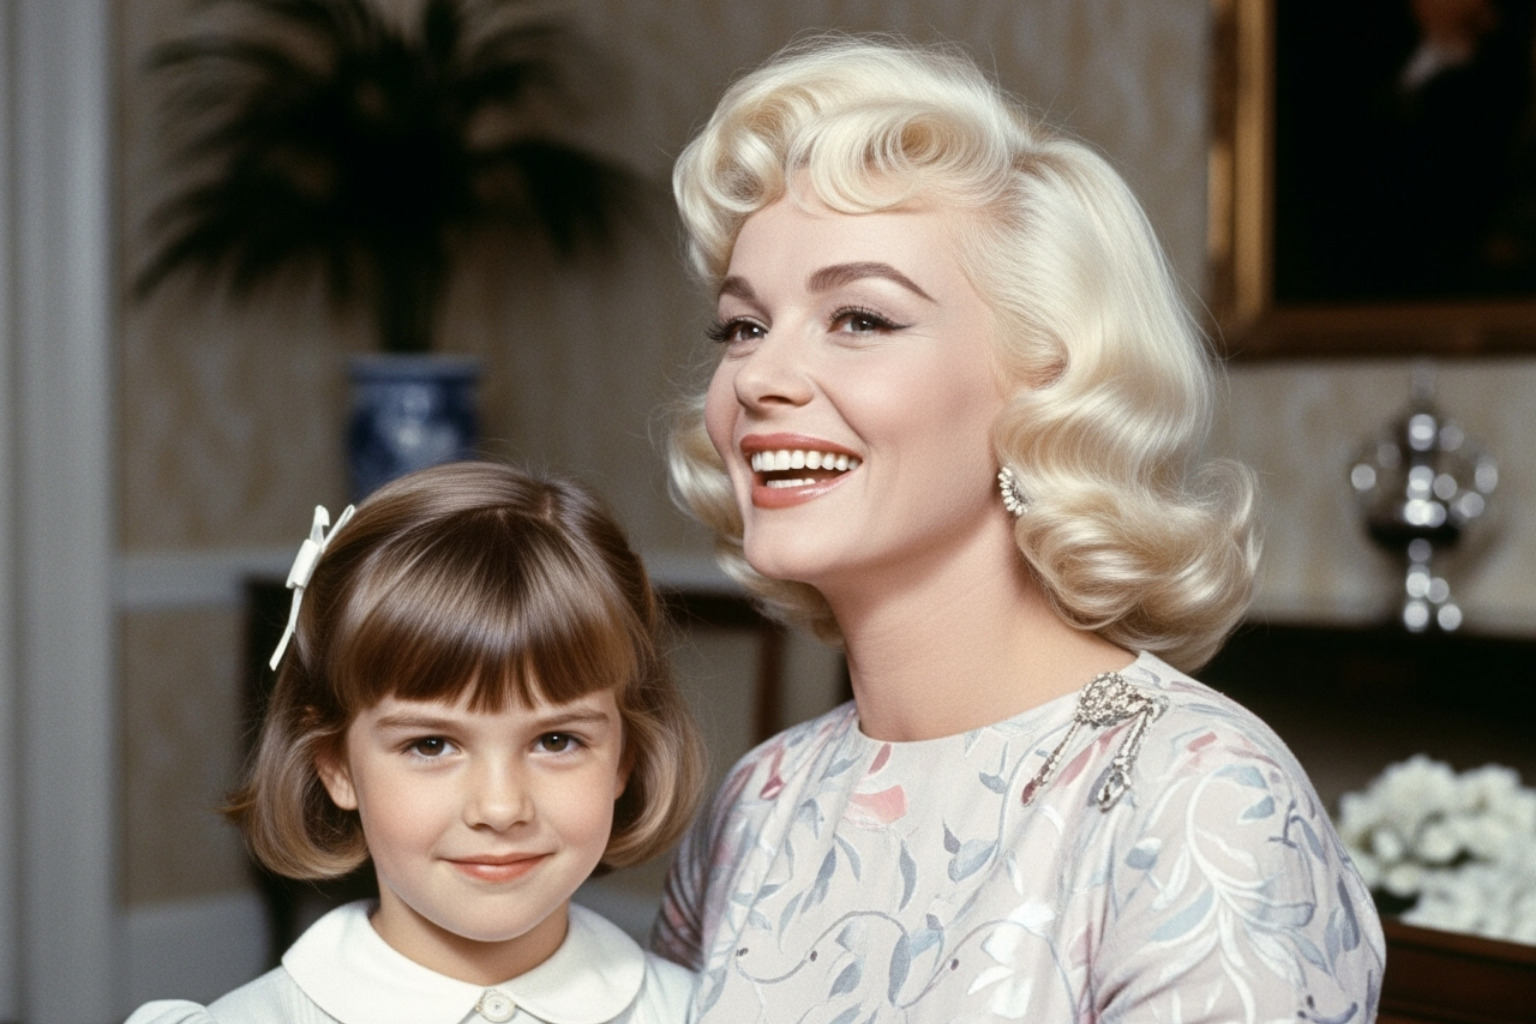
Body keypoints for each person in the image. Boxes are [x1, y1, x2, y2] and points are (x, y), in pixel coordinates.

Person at [652, 35, 1385, 1023]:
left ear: (1048, 380)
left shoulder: (1201, 799)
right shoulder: (760, 800)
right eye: (743, 326)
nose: (760, 379)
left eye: (860, 319)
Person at [127, 461, 706, 1024]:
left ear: (625, 757)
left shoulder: (706, 1012)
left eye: (556, 740)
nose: (501, 809)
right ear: (335, 766)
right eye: (431, 745)